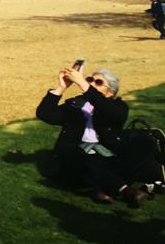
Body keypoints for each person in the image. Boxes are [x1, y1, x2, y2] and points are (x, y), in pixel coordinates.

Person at [36, 63, 146, 207]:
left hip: (105, 153)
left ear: (110, 93)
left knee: (105, 161)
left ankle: (98, 188)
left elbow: (109, 112)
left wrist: (82, 83)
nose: (92, 84)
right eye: (90, 80)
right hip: (77, 156)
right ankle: (124, 190)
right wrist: (61, 87)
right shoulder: (77, 104)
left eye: (99, 82)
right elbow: (46, 115)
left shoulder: (117, 107)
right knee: (80, 154)